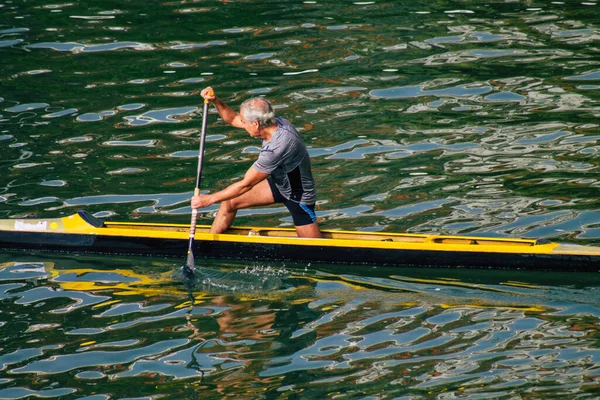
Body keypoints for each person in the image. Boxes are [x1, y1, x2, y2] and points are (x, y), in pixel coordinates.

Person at [190, 87, 321, 238]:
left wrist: (208, 199)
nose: (243, 125)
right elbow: (232, 118)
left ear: (256, 124)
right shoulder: (271, 122)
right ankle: (207, 244)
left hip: (298, 195)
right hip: (279, 183)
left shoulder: (277, 147)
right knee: (229, 201)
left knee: (314, 249)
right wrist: (216, 101)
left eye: (245, 122)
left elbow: (246, 185)